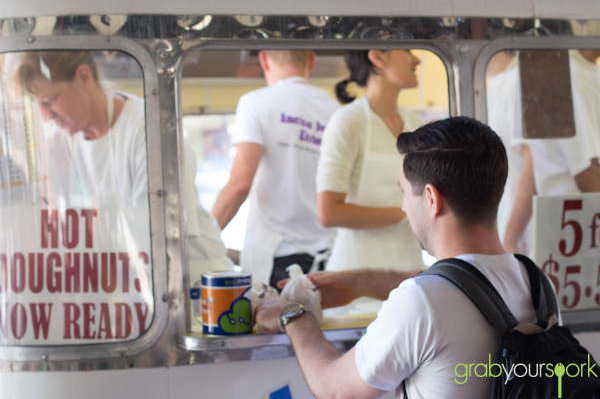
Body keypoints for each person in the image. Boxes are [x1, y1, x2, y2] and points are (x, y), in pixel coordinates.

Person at [255, 116, 545, 398]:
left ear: (431, 200)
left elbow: (334, 389)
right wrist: (362, 282)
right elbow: (466, 284)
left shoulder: (422, 301)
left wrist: (293, 316)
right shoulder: (535, 280)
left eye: (404, 191)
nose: (404, 207)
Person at [16, 50, 232, 281]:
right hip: (125, 281)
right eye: (38, 105)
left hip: (193, 280)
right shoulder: (59, 142)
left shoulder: (150, 130)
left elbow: (160, 233)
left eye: (50, 101)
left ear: (83, 77)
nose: (45, 116)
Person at [211, 50, 340, 287]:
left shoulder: (256, 103)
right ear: (311, 60)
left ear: (263, 60)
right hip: (330, 257)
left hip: (277, 258)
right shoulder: (336, 110)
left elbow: (240, 184)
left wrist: (205, 237)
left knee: (279, 324)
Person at [316, 50, 424, 274]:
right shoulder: (348, 122)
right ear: (378, 57)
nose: (417, 59)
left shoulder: (415, 123)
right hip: (355, 280)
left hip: (409, 271)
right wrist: (408, 214)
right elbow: (329, 212)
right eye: (408, 51)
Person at [503, 49, 600, 250]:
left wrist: (511, 238)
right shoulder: (567, 75)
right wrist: (511, 238)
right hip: (577, 234)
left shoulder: (580, 71)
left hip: (568, 233)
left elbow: (535, 160)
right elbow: (587, 176)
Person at [485, 50, 534, 254]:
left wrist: (511, 237)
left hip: (524, 233)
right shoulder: (484, 87)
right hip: (503, 227)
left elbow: (535, 162)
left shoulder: (517, 80)